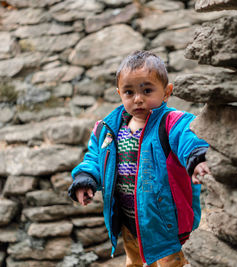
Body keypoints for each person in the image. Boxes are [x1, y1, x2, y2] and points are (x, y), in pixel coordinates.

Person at [68, 50, 210, 267]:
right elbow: (95, 158)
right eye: (129, 92)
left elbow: (188, 138)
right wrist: (85, 179)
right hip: (128, 220)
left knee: (172, 263)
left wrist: (198, 159)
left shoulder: (171, 122)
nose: (138, 99)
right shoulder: (108, 129)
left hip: (164, 222)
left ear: (166, 92)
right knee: (134, 261)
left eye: (147, 90)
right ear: (119, 94)